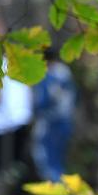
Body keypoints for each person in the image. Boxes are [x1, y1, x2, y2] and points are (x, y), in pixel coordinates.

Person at [32, 51, 76, 182]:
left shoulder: (48, 76)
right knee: (59, 161)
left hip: (50, 125)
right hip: (66, 122)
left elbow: (42, 101)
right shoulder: (65, 73)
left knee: (49, 162)